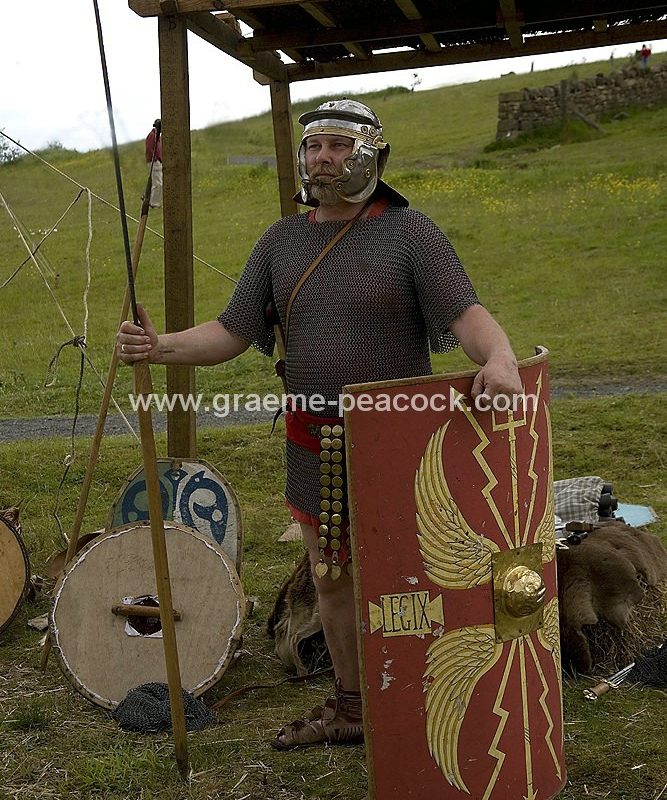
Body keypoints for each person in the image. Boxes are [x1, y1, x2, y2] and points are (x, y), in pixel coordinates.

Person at [117, 99, 523, 750]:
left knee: (415, 574)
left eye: (336, 145)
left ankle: (431, 693)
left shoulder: (410, 234)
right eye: (313, 147)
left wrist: (499, 357)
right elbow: (231, 331)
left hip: (400, 441)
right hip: (316, 444)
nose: (322, 158)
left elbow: (465, 315)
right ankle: (353, 704)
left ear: (370, 153)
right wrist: (159, 346)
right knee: (332, 579)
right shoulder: (281, 241)